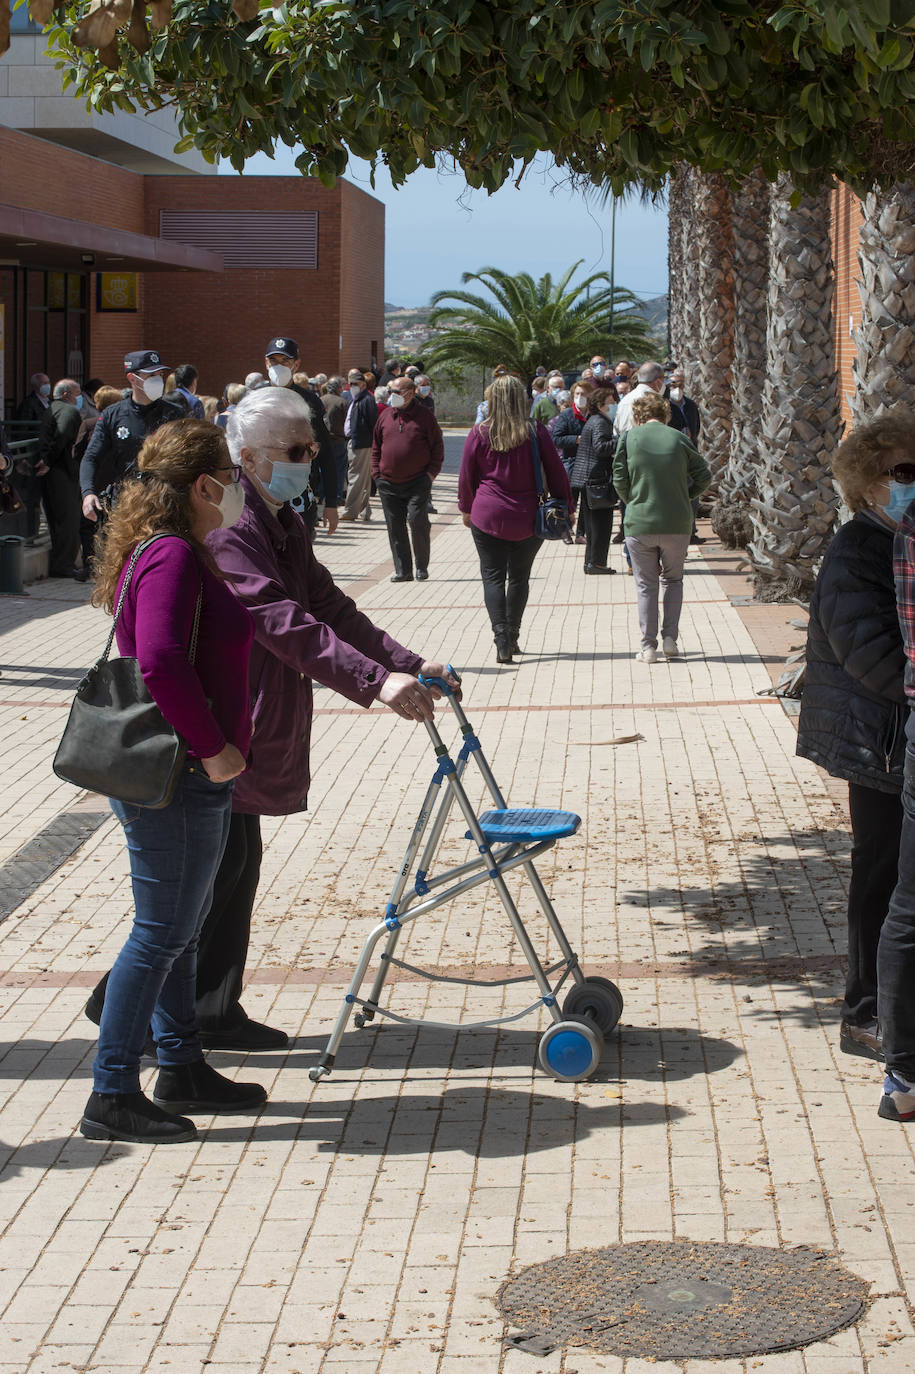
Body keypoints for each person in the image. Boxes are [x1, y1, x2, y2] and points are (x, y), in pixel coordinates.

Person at [144, 386, 455, 1049]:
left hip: (250, 724)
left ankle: (212, 1008)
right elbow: (282, 623)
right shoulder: (229, 527)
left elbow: (329, 607)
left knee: (233, 871)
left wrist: (407, 661)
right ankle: (130, 1006)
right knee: (201, 886)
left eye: (311, 447)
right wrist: (376, 683)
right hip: (223, 726)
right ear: (248, 458)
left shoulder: (279, 518)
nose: (309, 460)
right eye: (294, 450)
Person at [80, 418, 265, 1145]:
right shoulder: (173, 557)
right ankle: (111, 1091)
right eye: (227, 474)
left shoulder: (173, 551)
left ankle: (182, 1063)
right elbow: (158, 660)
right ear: (202, 483)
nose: (236, 489)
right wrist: (214, 747)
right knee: (160, 934)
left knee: (180, 931)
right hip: (182, 773)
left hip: (187, 773)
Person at [797, 415, 915, 1071]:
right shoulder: (856, 551)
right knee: (880, 878)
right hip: (876, 743)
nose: (911, 485)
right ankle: (863, 1013)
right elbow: (871, 657)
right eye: (901, 473)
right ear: (867, 485)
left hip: (899, 737)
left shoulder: (902, 542)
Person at [459, 373, 572, 664]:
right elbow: (557, 472)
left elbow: (466, 476)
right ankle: (513, 634)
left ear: (492, 399)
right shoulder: (535, 431)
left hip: (488, 515)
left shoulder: (480, 432)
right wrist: (568, 506)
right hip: (528, 517)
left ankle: (501, 638)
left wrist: (466, 508)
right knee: (519, 578)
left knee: (493, 576)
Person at [613, 391, 711, 663]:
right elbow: (704, 475)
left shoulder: (628, 438)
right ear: (665, 414)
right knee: (673, 580)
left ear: (638, 415)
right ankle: (670, 638)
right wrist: (685, 494)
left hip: (640, 521)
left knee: (646, 585)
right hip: (677, 522)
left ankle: (648, 647)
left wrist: (632, 500)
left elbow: (619, 478)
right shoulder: (680, 438)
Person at [79, 350, 184, 527]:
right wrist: (88, 493)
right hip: (126, 504)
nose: (158, 380)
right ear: (132, 378)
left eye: (160, 374)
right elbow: (90, 458)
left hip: (166, 503)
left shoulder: (174, 413)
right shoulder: (112, 415)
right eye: (151, 375)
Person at [372, 374, 444, 582]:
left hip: (417, 482)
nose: (391, 396)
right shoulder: (385, 416)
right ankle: (403, 570)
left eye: (396, 392)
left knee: (417, 521)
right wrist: (376, 474)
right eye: (390, 391)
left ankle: (421, 566)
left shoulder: (425, 417)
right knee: (395, 527)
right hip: (387, 483)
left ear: (410, 394)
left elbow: (437, 448)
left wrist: (430, 475)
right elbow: (376, 446)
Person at [263, 337, 338, 533]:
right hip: (262, 495)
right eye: (274, 361)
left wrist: (331, 503)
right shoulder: (256, 399)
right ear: (266, 363)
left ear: (296, 364)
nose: (278, 366)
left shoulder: (308, 401)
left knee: (299, 557)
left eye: (285, 361)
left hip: (299, 497)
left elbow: (325, 453)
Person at [568, 385, 619, 575]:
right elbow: (601, 447)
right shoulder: (599, 422)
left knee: (593, 524)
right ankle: (596, 563)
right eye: (611, 402)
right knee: (600, 525)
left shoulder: (594, 420)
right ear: (600, 405)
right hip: (597, 480)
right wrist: (622, 439)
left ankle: (592, 562)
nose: (614, 405)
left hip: (590, 479)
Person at [37, 379, 83, 579]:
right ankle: (63, 565)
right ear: (66, 394)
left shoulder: (53, 408)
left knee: (59, 519)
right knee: (68, 520)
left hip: (55, 471)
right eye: (77, 392)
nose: (79, 397)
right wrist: (48, 460)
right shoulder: (68, 412)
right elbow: (63, 434)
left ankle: (62, 563)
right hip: (62, 471)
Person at [551, 379, 593, 545]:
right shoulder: (566, 415)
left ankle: (581, 532)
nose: (580, 397)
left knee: (587, 502)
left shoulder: (594, 415)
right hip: (571, 463)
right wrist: (576, 439)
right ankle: (566, 531)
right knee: (570, 500)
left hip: (590, 464)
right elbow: (556, 438)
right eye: (577, 394)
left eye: (583, 394)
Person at [341, 369, 378, 522]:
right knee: (362, 478)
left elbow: (373, 423)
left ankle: (350, 511)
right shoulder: (357, 398)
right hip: (356, 441)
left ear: (363, 384)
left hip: (362, 443)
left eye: (356, 383)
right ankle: (364, 510)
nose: (353, 386)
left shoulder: (366, 400)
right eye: (351, 384)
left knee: (355, 476)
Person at [321, 376, 348, 505]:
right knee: (338, 470)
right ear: (338, 388)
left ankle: (321, 495)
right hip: (338, 441)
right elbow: (347, 423)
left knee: (322, 470)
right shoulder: (342, 402)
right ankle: (337, 496)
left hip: (323, 441)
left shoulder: (320, 400)